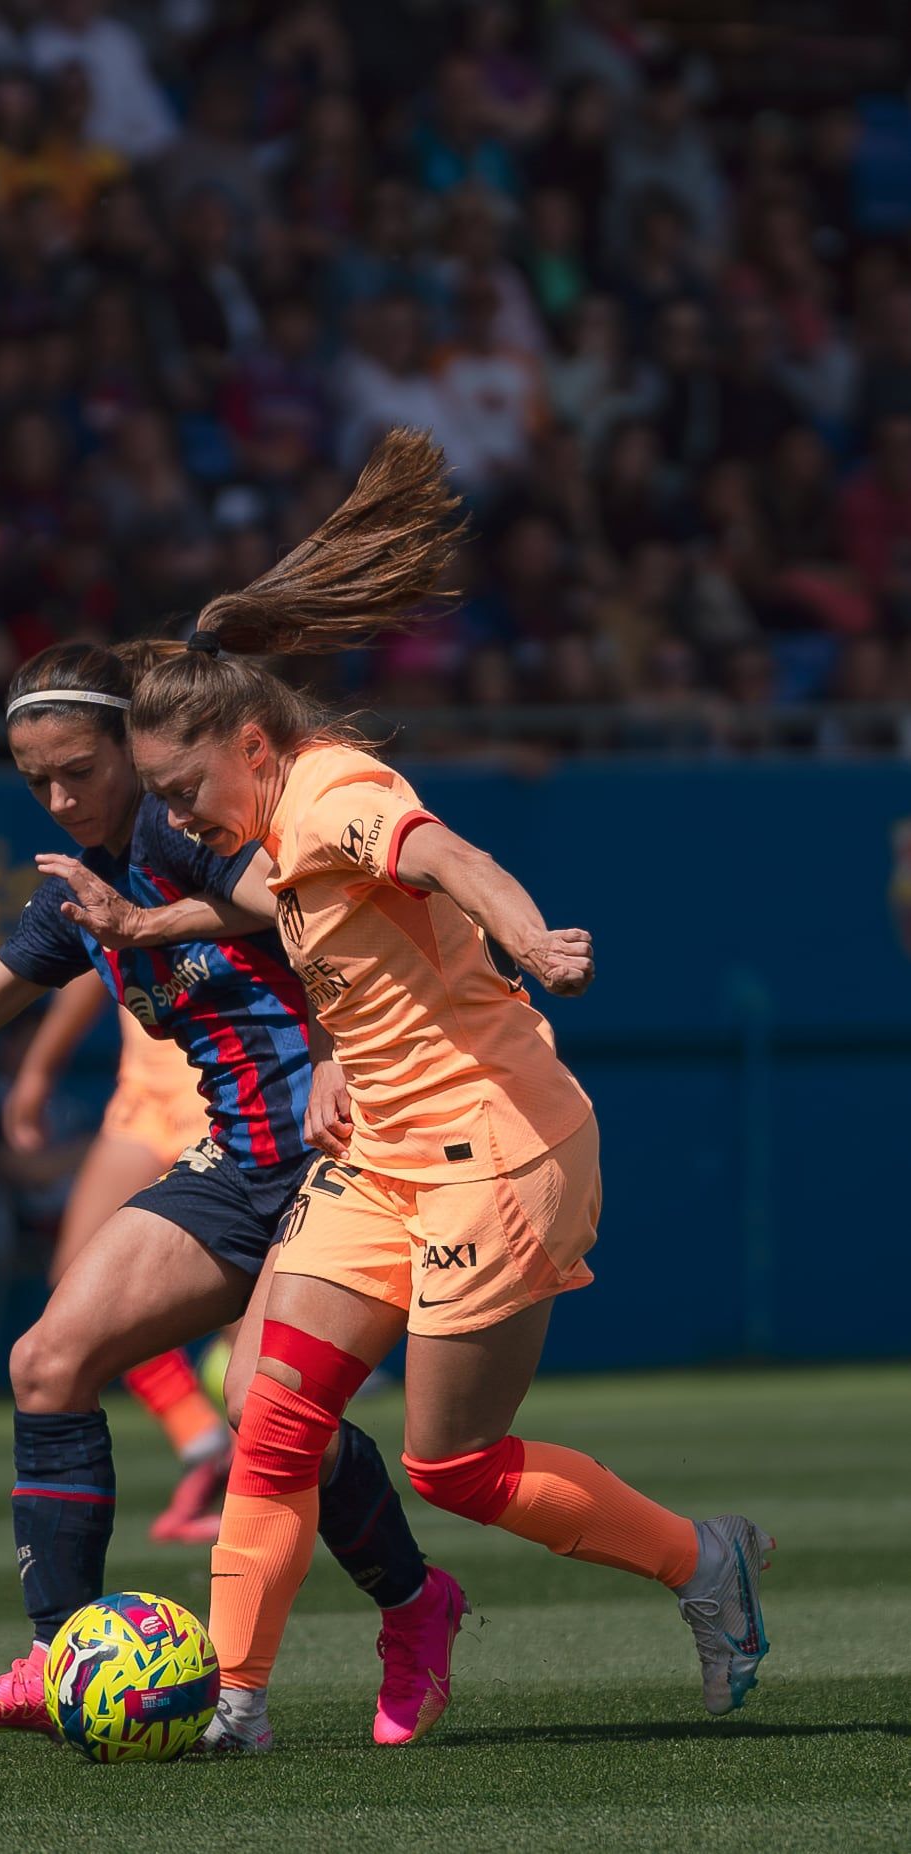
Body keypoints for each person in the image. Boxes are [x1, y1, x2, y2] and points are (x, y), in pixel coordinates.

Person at [111, 429, 773, 1752]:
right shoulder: (263, 829)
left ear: (248, 740)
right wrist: (326, 1041)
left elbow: (448, 858)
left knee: (450, 1466)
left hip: (498, 1146)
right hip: (384, 1148)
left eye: (184, 788)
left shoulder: (333, 792)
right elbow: (332, 935)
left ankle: (701, 1561)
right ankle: (234, 1698)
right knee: (272, 1401)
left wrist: (531, 939)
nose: (178, 817)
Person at [0, 639, 456, 1746]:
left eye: (79, 771)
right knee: (46, 1361)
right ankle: (62, 1661)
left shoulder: (181, 837)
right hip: (237, 1164)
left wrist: (342, 1039)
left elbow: (304, 905)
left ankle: (413, 1605)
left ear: (135, 750)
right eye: (35, 782)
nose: (60, 799)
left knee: (264, 1410)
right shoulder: (79, 898)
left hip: (347, 1163)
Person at [2, 972, 232, 1542]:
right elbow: (91, 964)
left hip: (218, 1081)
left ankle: (263, 1487)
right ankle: (201, 1438)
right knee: (76, 1288)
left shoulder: (216, 880)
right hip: (142, 1095)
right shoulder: (99, 885)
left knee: (244, 1317)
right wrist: (37, 1070)